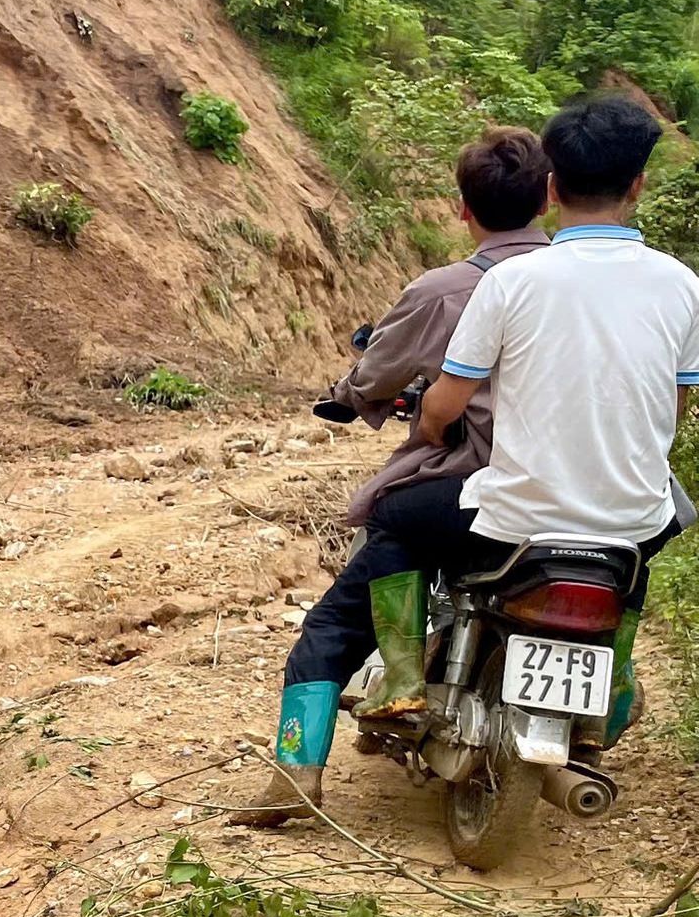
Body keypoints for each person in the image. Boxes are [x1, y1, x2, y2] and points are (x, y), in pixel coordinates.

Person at [236, 96, 697, 825]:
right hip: (634, 520)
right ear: (640, 184)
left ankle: (367, 709)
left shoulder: (507, 284)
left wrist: (426, 424)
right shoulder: (681, 284)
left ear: (553, 189)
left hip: (514, 519)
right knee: (642, 538)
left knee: (393, 516)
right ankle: (612, 688)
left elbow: (444, 409)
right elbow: (673, 410)